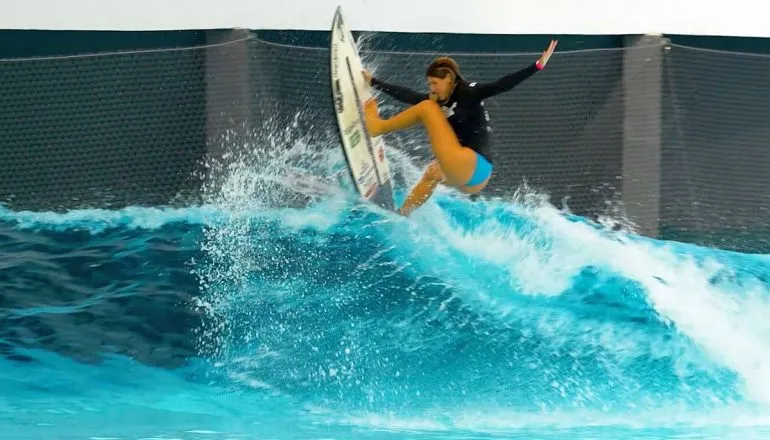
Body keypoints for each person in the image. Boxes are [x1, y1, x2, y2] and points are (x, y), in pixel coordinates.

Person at [362, 40, 558, 216]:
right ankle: (403, 214)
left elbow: (502, 85)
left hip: (474, 164)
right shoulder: (439, 99)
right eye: (429, 84)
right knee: (432, 173)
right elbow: (408, 95)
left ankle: (377, 127)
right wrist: (374, 82)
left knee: (426, 108)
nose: (431, 88)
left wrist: (536, 66)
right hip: (472, 177)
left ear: (448, 78)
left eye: (434, 83)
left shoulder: (468, 92)